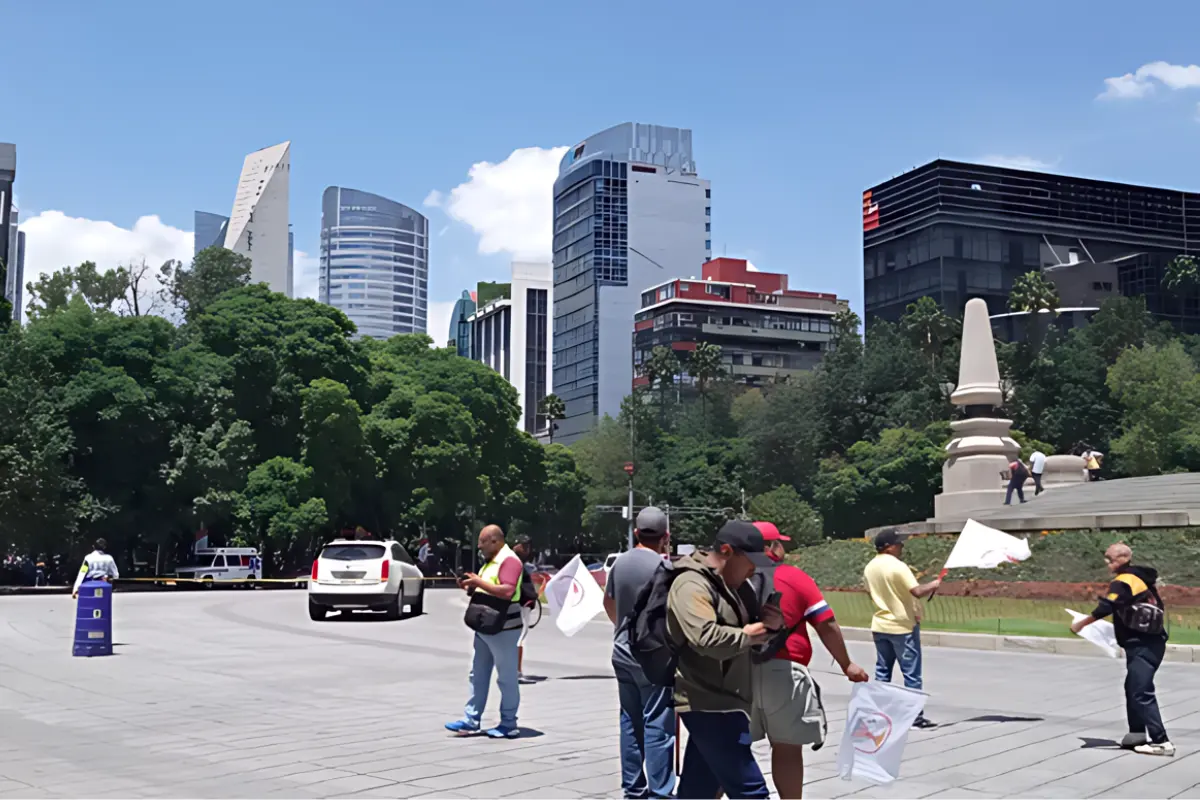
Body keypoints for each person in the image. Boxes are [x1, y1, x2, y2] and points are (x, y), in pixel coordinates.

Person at [748, 522, 869, 799]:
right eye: (780, 543)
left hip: (738, 673)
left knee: (729, 748)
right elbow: (825, 623)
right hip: (784, 672)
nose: (784, 548)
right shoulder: (794, 577)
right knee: (787, 748)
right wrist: (846, 664)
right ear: (770, 548)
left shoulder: (733, 578)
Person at [667, 520, 783, 799]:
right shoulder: (690, 583)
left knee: (699, 789)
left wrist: (773, 627)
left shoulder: (736, 587)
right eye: (750, 561)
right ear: (728, 552)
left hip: (727, 699)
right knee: (751, 791)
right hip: (707, 701)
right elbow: (705, 638)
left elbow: (756, 645)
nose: (754, 569)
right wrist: (748, 635)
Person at [1070, 543, 1174, 757]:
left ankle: (1161, 741)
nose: (1107, 563)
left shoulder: (1124, 581)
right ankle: (1136, 734)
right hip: (1147, 641)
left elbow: (1106, 607)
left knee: (1141, 691)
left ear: (1124, 558)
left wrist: (1081, 624)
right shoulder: (1139, 579)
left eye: (1110, 559)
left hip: (1144, 643)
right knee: (1133, 687)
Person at [604, 507, 676, 800]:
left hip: (622, 650)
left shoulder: (619, 564)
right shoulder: (665, 569)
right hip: (654, 655)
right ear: (665, 537)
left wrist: (622, 627)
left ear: (636, 533)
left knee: (629, 721)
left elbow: (608, 602)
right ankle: (661, 791)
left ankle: (633, 788)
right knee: (657, 721)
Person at [445, 525, 524, 739]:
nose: (479, 547)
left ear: (495, 541)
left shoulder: (510, 561)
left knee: (506, 677)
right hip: (485, 626)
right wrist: (471, 586)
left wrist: (478, 581)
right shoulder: (491, 562)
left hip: (504, 627)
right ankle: (471, 720)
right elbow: (489, 587)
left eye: (482, 542)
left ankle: (509, 723)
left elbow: (507, 591)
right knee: (477, 674)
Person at [863, 528, 941, 729]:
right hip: (902, 626)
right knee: (911, 674)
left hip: (880, 624)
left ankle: (879, 713)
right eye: (898, 543)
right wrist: (934, 584)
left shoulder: (870, 567)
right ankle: (915, 717)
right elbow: (917, 591)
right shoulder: (898, 566)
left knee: (883, 671)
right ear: (888, 547)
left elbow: (869, 592)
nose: (902, 547)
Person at [512, 535, 539, 683]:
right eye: (523, 545)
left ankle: (514, 671)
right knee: (518, 638)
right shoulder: (514, 562)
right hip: (519, 605)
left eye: (528, 546)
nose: (527, 549)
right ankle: (516, 672)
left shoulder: (518, 563)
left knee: (518, 638)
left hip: (521, 604)